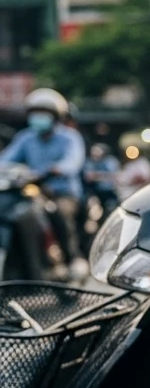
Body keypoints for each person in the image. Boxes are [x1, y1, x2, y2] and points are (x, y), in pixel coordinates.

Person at [1, 89, 87, 274]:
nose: (37, 117)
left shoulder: (69, 137)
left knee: (57, 212)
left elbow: (73, 162)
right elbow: (6, 160)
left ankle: (71, 258)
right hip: (32, 192)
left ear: (56, 116)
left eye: (43, 113)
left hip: (62, 193)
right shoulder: (26, 137)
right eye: (34, 113)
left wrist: (57, 169)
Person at [83, 143, 121, 214]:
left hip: (110, 192)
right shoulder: (89, 162)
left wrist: (97, 175)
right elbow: (89, 177)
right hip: (94, 192)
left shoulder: (110, 161)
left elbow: (114, 176)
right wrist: (104, 176)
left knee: (111, 210)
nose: (94, 153)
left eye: (97, 151)